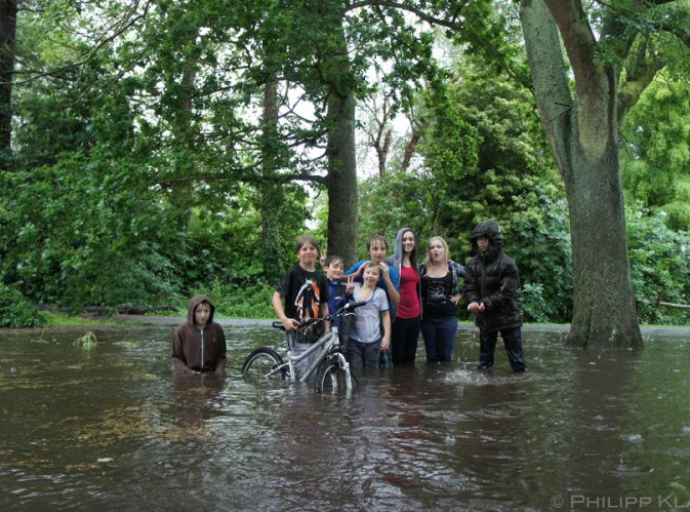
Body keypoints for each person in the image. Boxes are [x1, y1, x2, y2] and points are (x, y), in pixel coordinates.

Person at [465, 220, 526, 372]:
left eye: (484, 239)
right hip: (486, 318)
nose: (481, 243)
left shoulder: (508, 264)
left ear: (493, 240)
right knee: (484, 362)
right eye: (478, 240)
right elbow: (469, 286)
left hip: (509, 317)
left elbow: (507, 293)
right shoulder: (472, 264)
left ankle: (518, 391)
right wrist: (473, 301)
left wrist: (485, 302)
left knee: (517, 362)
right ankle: (485, 393)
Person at [272, 235, 330, 380]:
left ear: (317, 253)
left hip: (316, 333)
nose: (309, 251)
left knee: (314, 374)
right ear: (298, 253)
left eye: (312, 248)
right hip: (296, 330)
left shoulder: (320, 277)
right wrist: (284, 319)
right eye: (304, 249)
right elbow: (276, 297)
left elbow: (323, 305)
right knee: (300, 377)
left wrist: (327, 332)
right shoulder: (293, 273)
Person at [419, 236, 468, 362]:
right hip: (427, 319)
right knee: (431, 356)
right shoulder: (422, 268)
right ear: (429, 251)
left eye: (439, 247)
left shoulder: (453, 267)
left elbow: (473, 278)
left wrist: (461, 294)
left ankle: (445, 381)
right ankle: (431, 381)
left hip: (448, 318)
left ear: (444, 249)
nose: (436, 250)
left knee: (445, 356)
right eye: (432, 247)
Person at [347, 261, 391, 370]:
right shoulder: (354, 287)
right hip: (354, 340)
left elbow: (385, 315)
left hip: (373, 341)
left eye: (374, 274)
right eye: (367, 273)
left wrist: (386, 336)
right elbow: (335, 278)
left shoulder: (380, 293)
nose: (370, 276)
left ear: (378, 278)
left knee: (371, 374)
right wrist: (348, 293)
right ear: (363, 275)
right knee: (355, 372)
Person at [386, 227, 422, 364]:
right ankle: (398, 385)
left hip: (415, 316)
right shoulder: (390, 262)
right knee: (398, 356)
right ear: (399, 242)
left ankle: (409, 385)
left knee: (411, 356)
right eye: (404, 239)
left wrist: (459, 294)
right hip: (398, 316)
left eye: (411, 239)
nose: (408, 242)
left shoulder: (417, 265)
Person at [172, 295, 227, 375]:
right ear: (192, 312)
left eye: (206, 311)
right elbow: (176, 357)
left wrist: (218, 372)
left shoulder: (217, 329)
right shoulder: (181, 330)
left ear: (210, 312)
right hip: (188, 374)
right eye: (198, 311)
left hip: (211, 373)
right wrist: (189, 372)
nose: (203, 315)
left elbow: (222, 356)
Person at [323, 254, 351, 345]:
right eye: (335, 266)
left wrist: (349, 294)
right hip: (322, 329)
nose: (338, 269)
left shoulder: (343, 287)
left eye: (341, 268)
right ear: (326, 268)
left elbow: (350, 307)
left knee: (337, 355)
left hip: (338, 329)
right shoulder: (322, 284)